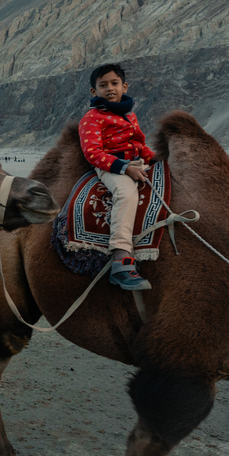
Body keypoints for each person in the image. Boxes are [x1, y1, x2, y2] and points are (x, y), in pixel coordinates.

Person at [78, 63, 155, 291]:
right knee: (126, 194)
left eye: (114, 83)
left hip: (135, 162)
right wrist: (124, 168)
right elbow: (93, 153)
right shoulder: (92, 118)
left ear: (124, 86)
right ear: (94, 92)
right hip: (110, 166)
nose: (110, 88)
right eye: (103, 85)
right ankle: (121, 259)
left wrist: (154, 158)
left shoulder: (130, 115)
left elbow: (140, 143)